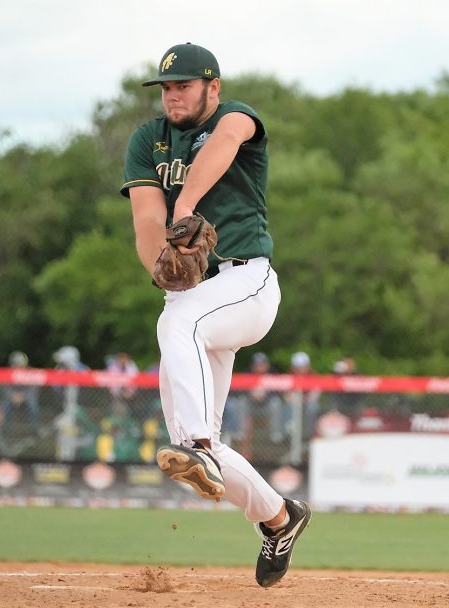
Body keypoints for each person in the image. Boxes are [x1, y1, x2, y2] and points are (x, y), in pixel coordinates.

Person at [119, 42, 309, 588]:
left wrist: (186, 206)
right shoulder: (146, 140)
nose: (172, 94)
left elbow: (221, 147)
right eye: (166, 87)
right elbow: (145, 218)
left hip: (248, 283)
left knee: (178, 331)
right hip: (196, 296)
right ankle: (279, 517)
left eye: (183, 84)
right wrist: (162, 268)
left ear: (213, 87)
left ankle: (199, 448)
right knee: (189, 448)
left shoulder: (236, 116)